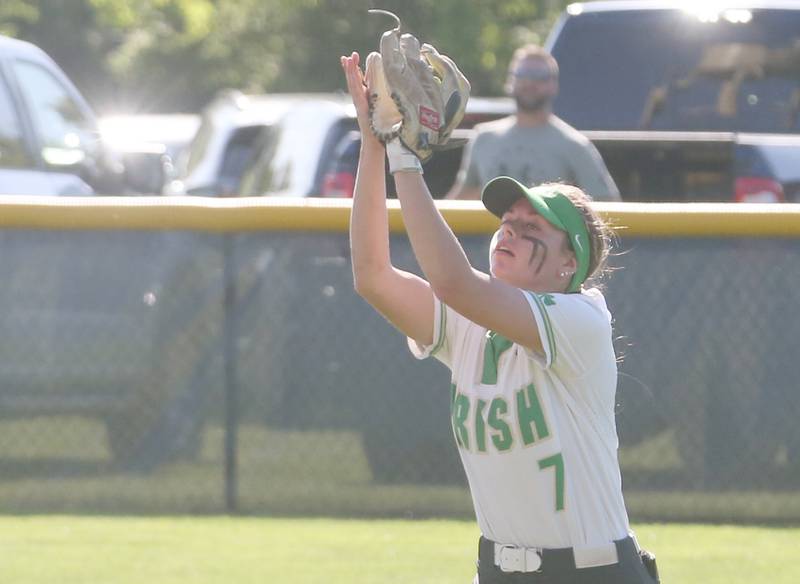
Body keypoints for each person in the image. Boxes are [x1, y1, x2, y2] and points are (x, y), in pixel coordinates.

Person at [342, 49, 658, 584]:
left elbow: (452, 281)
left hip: (593, 573)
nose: (509, 230)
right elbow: (372, 274)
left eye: (533, 228)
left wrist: (405, 159)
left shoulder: (580, 320)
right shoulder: (467, 321)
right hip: (499, 572)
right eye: (506, 221)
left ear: (568, 264)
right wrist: (374, 145)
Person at [446, 44, 620, 202]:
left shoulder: (574, 145)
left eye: (539, 77)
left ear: (554, 84)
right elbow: (461, 198)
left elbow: (607, 207)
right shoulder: (483, 138)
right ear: (510, 81)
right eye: (522, 75)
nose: (529, 83)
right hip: (498, 238)